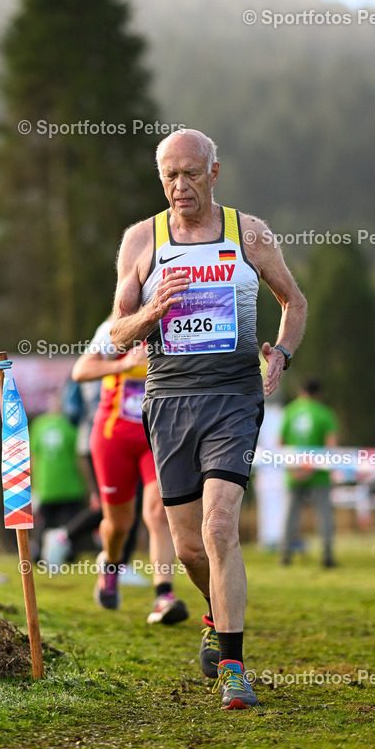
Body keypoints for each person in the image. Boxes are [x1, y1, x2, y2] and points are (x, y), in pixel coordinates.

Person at [109, 128, 307, 709]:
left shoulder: (249, 233)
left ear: (214, 173)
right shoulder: (142, 240)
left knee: (221, 530)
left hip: (234, 397)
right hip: (169, 400)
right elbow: (117, 335)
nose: (180, 186)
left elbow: (294, 301)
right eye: (169, 175)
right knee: (190, 549)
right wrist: (152, 310)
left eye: (191, 174)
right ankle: (214, 615)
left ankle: (233, 667)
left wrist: (282, 352)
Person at [72, 318, 189, 625]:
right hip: (114, 437)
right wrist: (121, 366)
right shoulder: (116, 327)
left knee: (158, 513)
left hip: (158, 436)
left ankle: (164, 595)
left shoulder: (178, 324)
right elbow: (81, 371)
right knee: (118, 523)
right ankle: (110, 565)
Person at [279, 377, 339, 567]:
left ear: (301, 391)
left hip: (293, 473)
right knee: (324, 517)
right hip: (318, 474)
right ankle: (327, 556)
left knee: (290, 517)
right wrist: (312, 468)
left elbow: (280, 443)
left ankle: (285, 556)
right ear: (318, 394)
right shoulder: (324, 413)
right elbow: (331, 446)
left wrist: (293, 469)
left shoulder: (289, 411)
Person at [28, 392, 86, 561]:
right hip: (69, 484)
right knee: (70, 525)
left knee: (45, 524)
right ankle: (68, 555)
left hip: (47, 484)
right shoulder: (72, 425)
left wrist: (33, 482)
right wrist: (88, 482)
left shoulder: (39, 424)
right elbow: (79, 456)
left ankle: (38, 555)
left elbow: (33, 456)